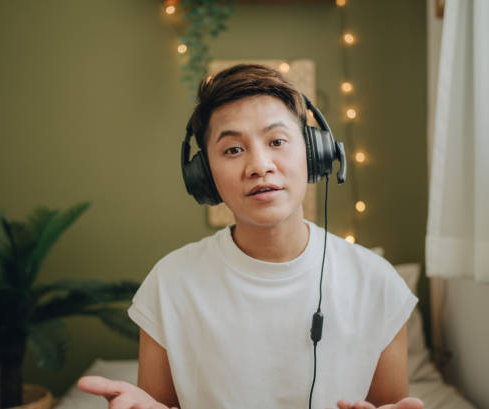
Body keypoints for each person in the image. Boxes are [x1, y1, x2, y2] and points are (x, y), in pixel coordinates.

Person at [78, 64, 424, 409]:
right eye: (232, 150)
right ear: (205, 177)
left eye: (277, 141)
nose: (260, 165)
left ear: (313, 153)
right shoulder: (169, 284)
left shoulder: (378, 283)